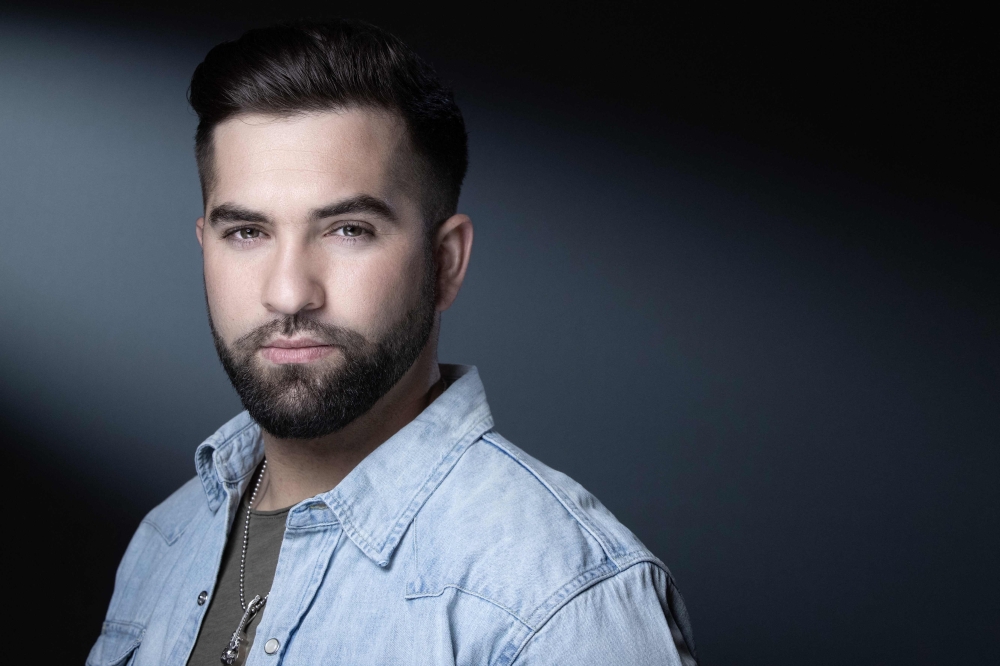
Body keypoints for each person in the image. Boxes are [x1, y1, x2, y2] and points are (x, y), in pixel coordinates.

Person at [87, 19, 698, 666]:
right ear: (205, 245)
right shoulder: (165, 542)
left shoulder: (558, 605)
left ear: (447, 262)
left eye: (348, 230)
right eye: (247, 233)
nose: (290, 293)